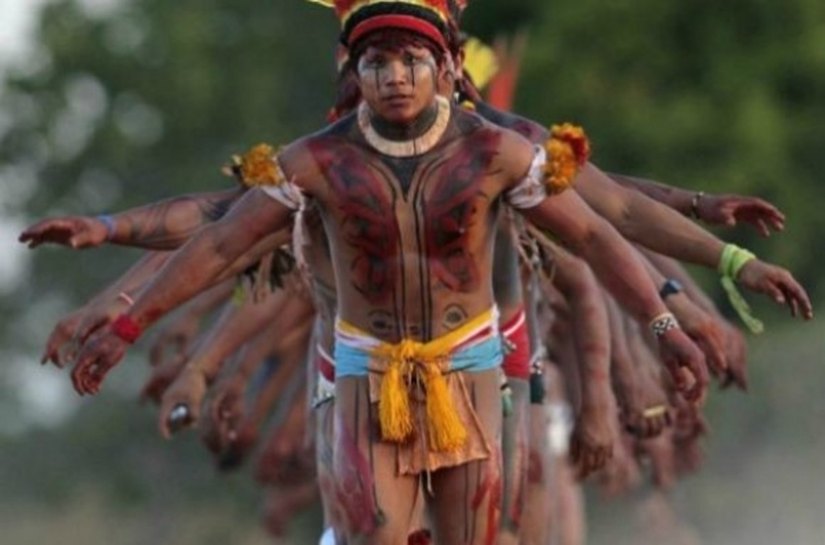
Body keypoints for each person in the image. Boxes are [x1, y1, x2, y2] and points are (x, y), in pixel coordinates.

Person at [62, 2, 710, 542]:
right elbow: (218, 243)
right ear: (355, 70)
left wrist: (663, 322)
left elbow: (600, 231)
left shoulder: (498, 154)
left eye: (410, 60)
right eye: (376, 62)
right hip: (365, 372)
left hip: (471, 365)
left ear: (448, 67)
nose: (394, 77)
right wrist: (127, 326)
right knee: (374, 533)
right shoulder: (313, 163)